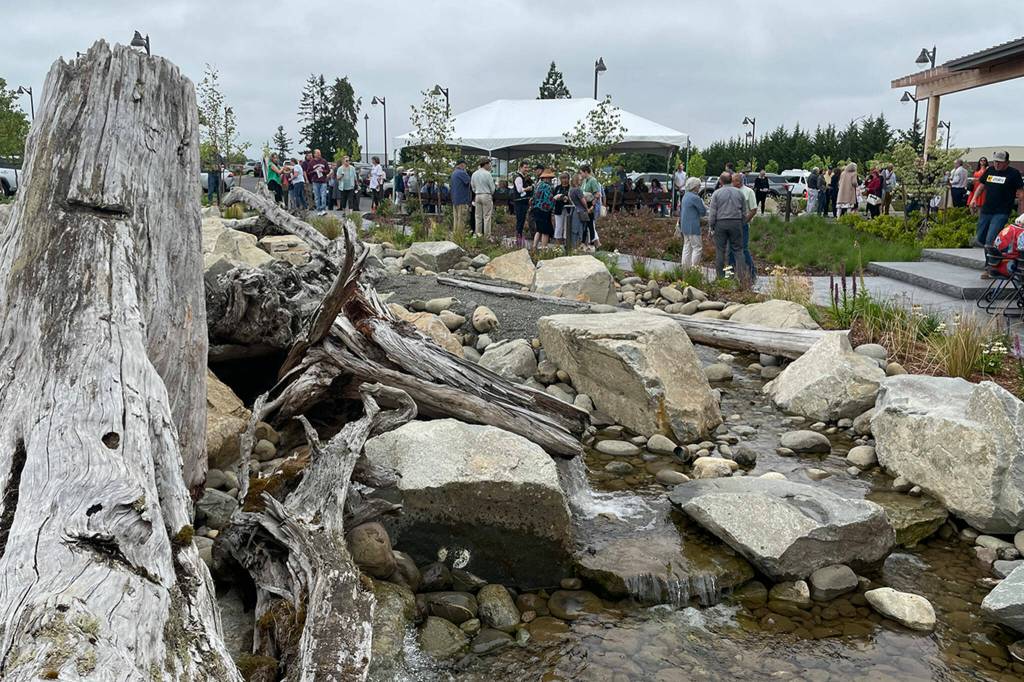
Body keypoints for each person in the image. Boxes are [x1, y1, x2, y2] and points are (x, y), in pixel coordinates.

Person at [973, 151, 1024, 253]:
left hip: (1001, 211)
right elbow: (981, 186)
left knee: (990, 239)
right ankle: (1002, 250)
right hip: (987, 209)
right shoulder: (990, 170)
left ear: (1007, 162)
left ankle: (991, 263)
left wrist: (1021, 211)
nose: (997, 164)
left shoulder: (1014, 173)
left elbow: (1021, 192)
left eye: (1000, 162)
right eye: (995, 161)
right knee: (979, 238)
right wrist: (974, 198)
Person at [707, 172, 746, 281]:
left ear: (721, 181)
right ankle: (742, 278)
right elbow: (744, 211)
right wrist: (741, 223)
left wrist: (711, 226)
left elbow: (713, 212)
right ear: (731, 180)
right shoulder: (739, 193)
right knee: (738, 250)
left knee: (720, 251)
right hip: (736, 222)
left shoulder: (716, 193)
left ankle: (720, 277)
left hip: (721, 223)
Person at [728, 172, 757, 281]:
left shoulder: (749, 192)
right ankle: (729, 275)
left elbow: (753, 209)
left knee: (743, 249)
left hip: (742, 226)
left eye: (733, 181)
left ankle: (752, 273)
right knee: (729, 251)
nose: (732, 183)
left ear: (739, 181)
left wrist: (744, 222)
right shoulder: (730, 191)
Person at [679, 176, 707, 268]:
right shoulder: (695, 198)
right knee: (697, 247)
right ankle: (694, 268)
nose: (699, 187)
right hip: (693, 226)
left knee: (687, 246)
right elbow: (703, 212)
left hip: (684, 225)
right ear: (695, 187)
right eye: (699, 185)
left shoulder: (685, 196)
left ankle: (685, 267)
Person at [531, 168, 556, 250]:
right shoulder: (547, 187)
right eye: (550, 178)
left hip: (536, 209)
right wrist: (556, 199)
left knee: (539, 230)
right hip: (544, 210)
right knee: (545, 231)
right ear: (546, 178)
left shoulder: (538, 185)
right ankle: (543, 248)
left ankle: (534, 247)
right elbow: (549, 199)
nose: (550, 180)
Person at [511, 162, 534, 247]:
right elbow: (520, 190)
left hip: (522, 202)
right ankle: (518, 239)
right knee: (520, 220)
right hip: (519, 202)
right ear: (520, 167)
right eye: (525, 167)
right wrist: (528, 188)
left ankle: (519, 237)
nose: (527, 169)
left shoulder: (523, 177)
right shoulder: (518, 178)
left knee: (521, 220)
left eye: (528, 168)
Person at [471, 157, 496, 236]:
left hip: (477, 195)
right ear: (485, 164)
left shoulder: (474, 174)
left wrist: (477, 191)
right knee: (487, 216)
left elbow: (473, 187)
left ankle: (478, 234)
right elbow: (492, 188)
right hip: (486, 195)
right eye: (489, 164)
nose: (490, 166)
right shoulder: (487, 174)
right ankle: (487, 236)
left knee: (477, 216)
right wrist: (490, 193)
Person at [568, 173, 592, 248]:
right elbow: (583, 201)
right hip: (580, 211)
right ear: (577, 180)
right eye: (580, 179)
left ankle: (573, 245)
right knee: (580, 229)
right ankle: (577, 246)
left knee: (573, 229)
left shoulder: (571, 190)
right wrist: (587, 208)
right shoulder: (578, 190)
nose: (581, 181)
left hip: (574, 210)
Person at [581, 165, 603, 240]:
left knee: (590, 224)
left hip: (590, 204)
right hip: (584, 203)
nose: (581, 175)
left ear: (586, 172)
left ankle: (592, 243)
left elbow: (597, 194)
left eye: (581, 173)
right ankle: (584, 242)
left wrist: (592, 206)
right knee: (585, 224)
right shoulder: (584, 181)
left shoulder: (593, 180)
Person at [450, 160, 472, 235]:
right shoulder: (462, 173)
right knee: (462, 219)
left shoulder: (454, 173)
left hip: (455, 199)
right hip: (462, 199)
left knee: (456, 219)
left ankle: (455, 235)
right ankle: (460, 236)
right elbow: (469, 181)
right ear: (462, 165)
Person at [307, 149, 330, 215]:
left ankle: (323, 209)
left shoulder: (324, 161)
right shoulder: (311, 162)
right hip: (315, 181)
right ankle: (319, 210)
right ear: (314, 154)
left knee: (323, 196)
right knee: (317, 196)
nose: (319, 154)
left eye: (320, 153)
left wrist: (323, 171)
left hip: (323, 181)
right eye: (318, 153)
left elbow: (328, 170)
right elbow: (308, 172)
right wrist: (314, 171)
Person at [552, 173, 572, 245]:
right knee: (558, 226)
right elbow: (552, 198)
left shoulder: (571, 188)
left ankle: (567, 244)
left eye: (565, 178)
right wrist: (558, 198)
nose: (564, 180)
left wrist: (567, 198)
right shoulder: (557, 188)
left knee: (567, 226)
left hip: (568, 209)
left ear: (568, 179)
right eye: (562, 178)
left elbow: (573, 199)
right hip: (558, 209)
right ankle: (558, 245)